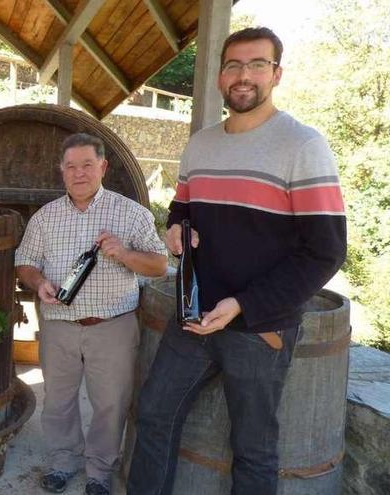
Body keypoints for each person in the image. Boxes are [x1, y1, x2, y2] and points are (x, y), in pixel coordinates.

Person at [127, 27, 347, 495]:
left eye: (256, 64)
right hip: (192, 314)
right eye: (233, 65)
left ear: (277, 74)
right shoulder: (200, 145)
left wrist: (243, 304)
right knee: (153, 415)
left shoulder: (303, 146)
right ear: (220, 77)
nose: (243, 75)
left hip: (259, 329)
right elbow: (183, 207)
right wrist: (174, 227)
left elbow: (326, 250)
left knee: (252, 448)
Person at [16, 133, 168, 495]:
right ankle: (62, 462)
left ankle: (100, 470)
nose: (79, 173)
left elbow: (160, 265)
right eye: (71, 166)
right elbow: (24, 262)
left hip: (112, 326)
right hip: (59, 326)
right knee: (59, 400)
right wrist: (38, 283)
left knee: (110, 403)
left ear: (103, 167)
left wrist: (125, 254)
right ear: (61, 171)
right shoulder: (45, 217)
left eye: (87, 165)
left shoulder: (131, 214)